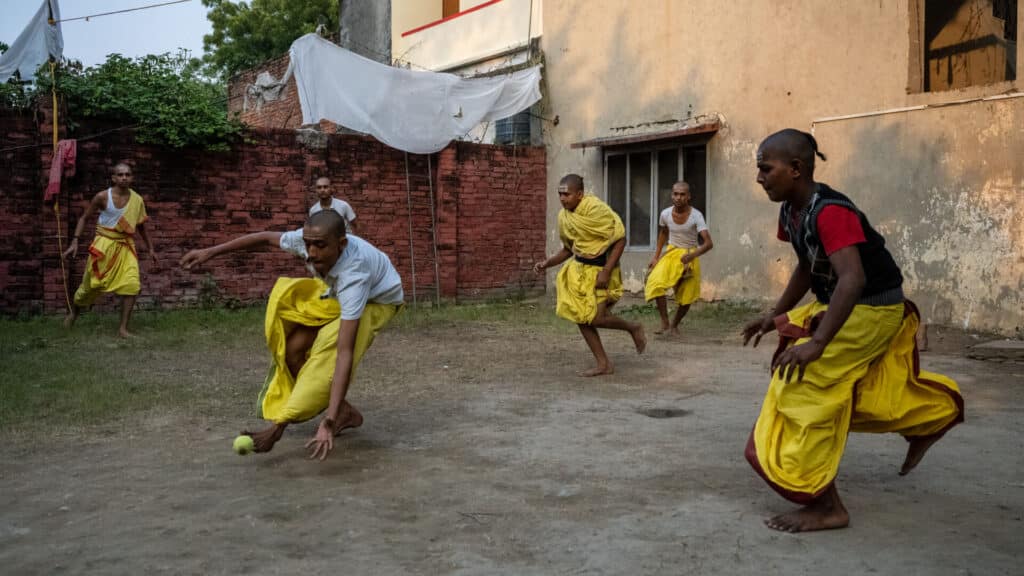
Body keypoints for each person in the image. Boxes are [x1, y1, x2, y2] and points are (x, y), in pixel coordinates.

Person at [741, 129, 964, 532]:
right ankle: (930, 416)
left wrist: (819, 343)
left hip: (871, 308)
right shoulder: (791, 211)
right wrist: (774, 314)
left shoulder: (831, 211)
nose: (759, 177)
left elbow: (852, 279)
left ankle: (827, 507)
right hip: (843, 303)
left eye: (765, 168)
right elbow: (808, 267)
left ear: (795, 169)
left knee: (803, 385)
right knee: (848, 393)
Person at [180, 210, 403, 460]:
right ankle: (345, 412)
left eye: (320, 246)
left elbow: (343, 354)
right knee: (293, 348)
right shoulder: (307, 239)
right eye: (308, 244)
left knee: (325, 353)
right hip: (335, 291)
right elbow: (264, 238)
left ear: (342, 244)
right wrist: (210, 252)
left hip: (378, 300)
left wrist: (283, 426)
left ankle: (331, 416)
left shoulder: (355, 277)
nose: (312, 253)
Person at [533, 174, 646, 377]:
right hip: (579, 271)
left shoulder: (597, 210)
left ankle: (632, 327)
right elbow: (569, 249)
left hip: (601, 270)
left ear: (580, 194)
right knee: (581, 317)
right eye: (560, 194)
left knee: (597, 317)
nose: (562, 199)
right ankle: (603, 364)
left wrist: (606, 271)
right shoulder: (564, 217)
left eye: (566, 194)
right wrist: (547, 263)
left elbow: (620, 240)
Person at [62, 162, 158, 338]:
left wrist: (150, 249)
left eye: (127, 174)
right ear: (113, 178)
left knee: (132, 284)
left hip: (125, 247)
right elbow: (84, 218)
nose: (124, 177)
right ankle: (74, 313)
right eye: (120, 175)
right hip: (103, 246)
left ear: (132, 178)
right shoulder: (102, 197)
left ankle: (123, 329)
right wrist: (75, 241)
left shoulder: (137, 200)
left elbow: (141, 227)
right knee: (90, 286)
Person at [644, 181, 713, 335]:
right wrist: (656, 257)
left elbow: (708, 243)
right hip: (671, 252)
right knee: (655, 282)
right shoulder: (665, 214)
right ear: (671, 195)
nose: (678, 197)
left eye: (682, 194)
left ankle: (675, 325)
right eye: (675, 194)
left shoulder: (696, 215)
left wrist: (692, 255)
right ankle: (665, 322)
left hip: (690, 255)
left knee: (687, 296)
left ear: (688, 196)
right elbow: (663, 233)